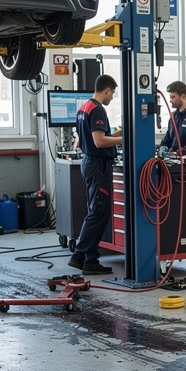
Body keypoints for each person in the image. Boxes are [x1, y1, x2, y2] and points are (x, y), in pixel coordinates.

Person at [69, 74, 123, 275]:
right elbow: (100, 141)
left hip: (90, 163)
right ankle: (79, 254)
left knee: (97, 210)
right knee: (98, 212)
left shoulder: (84, 108)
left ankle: (91, 261)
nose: (112, 98)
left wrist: (121, 132)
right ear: (107, 89)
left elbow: (95, 138)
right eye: (113, 93)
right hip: (98, 165)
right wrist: (123, 140)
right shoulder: (98, 109)